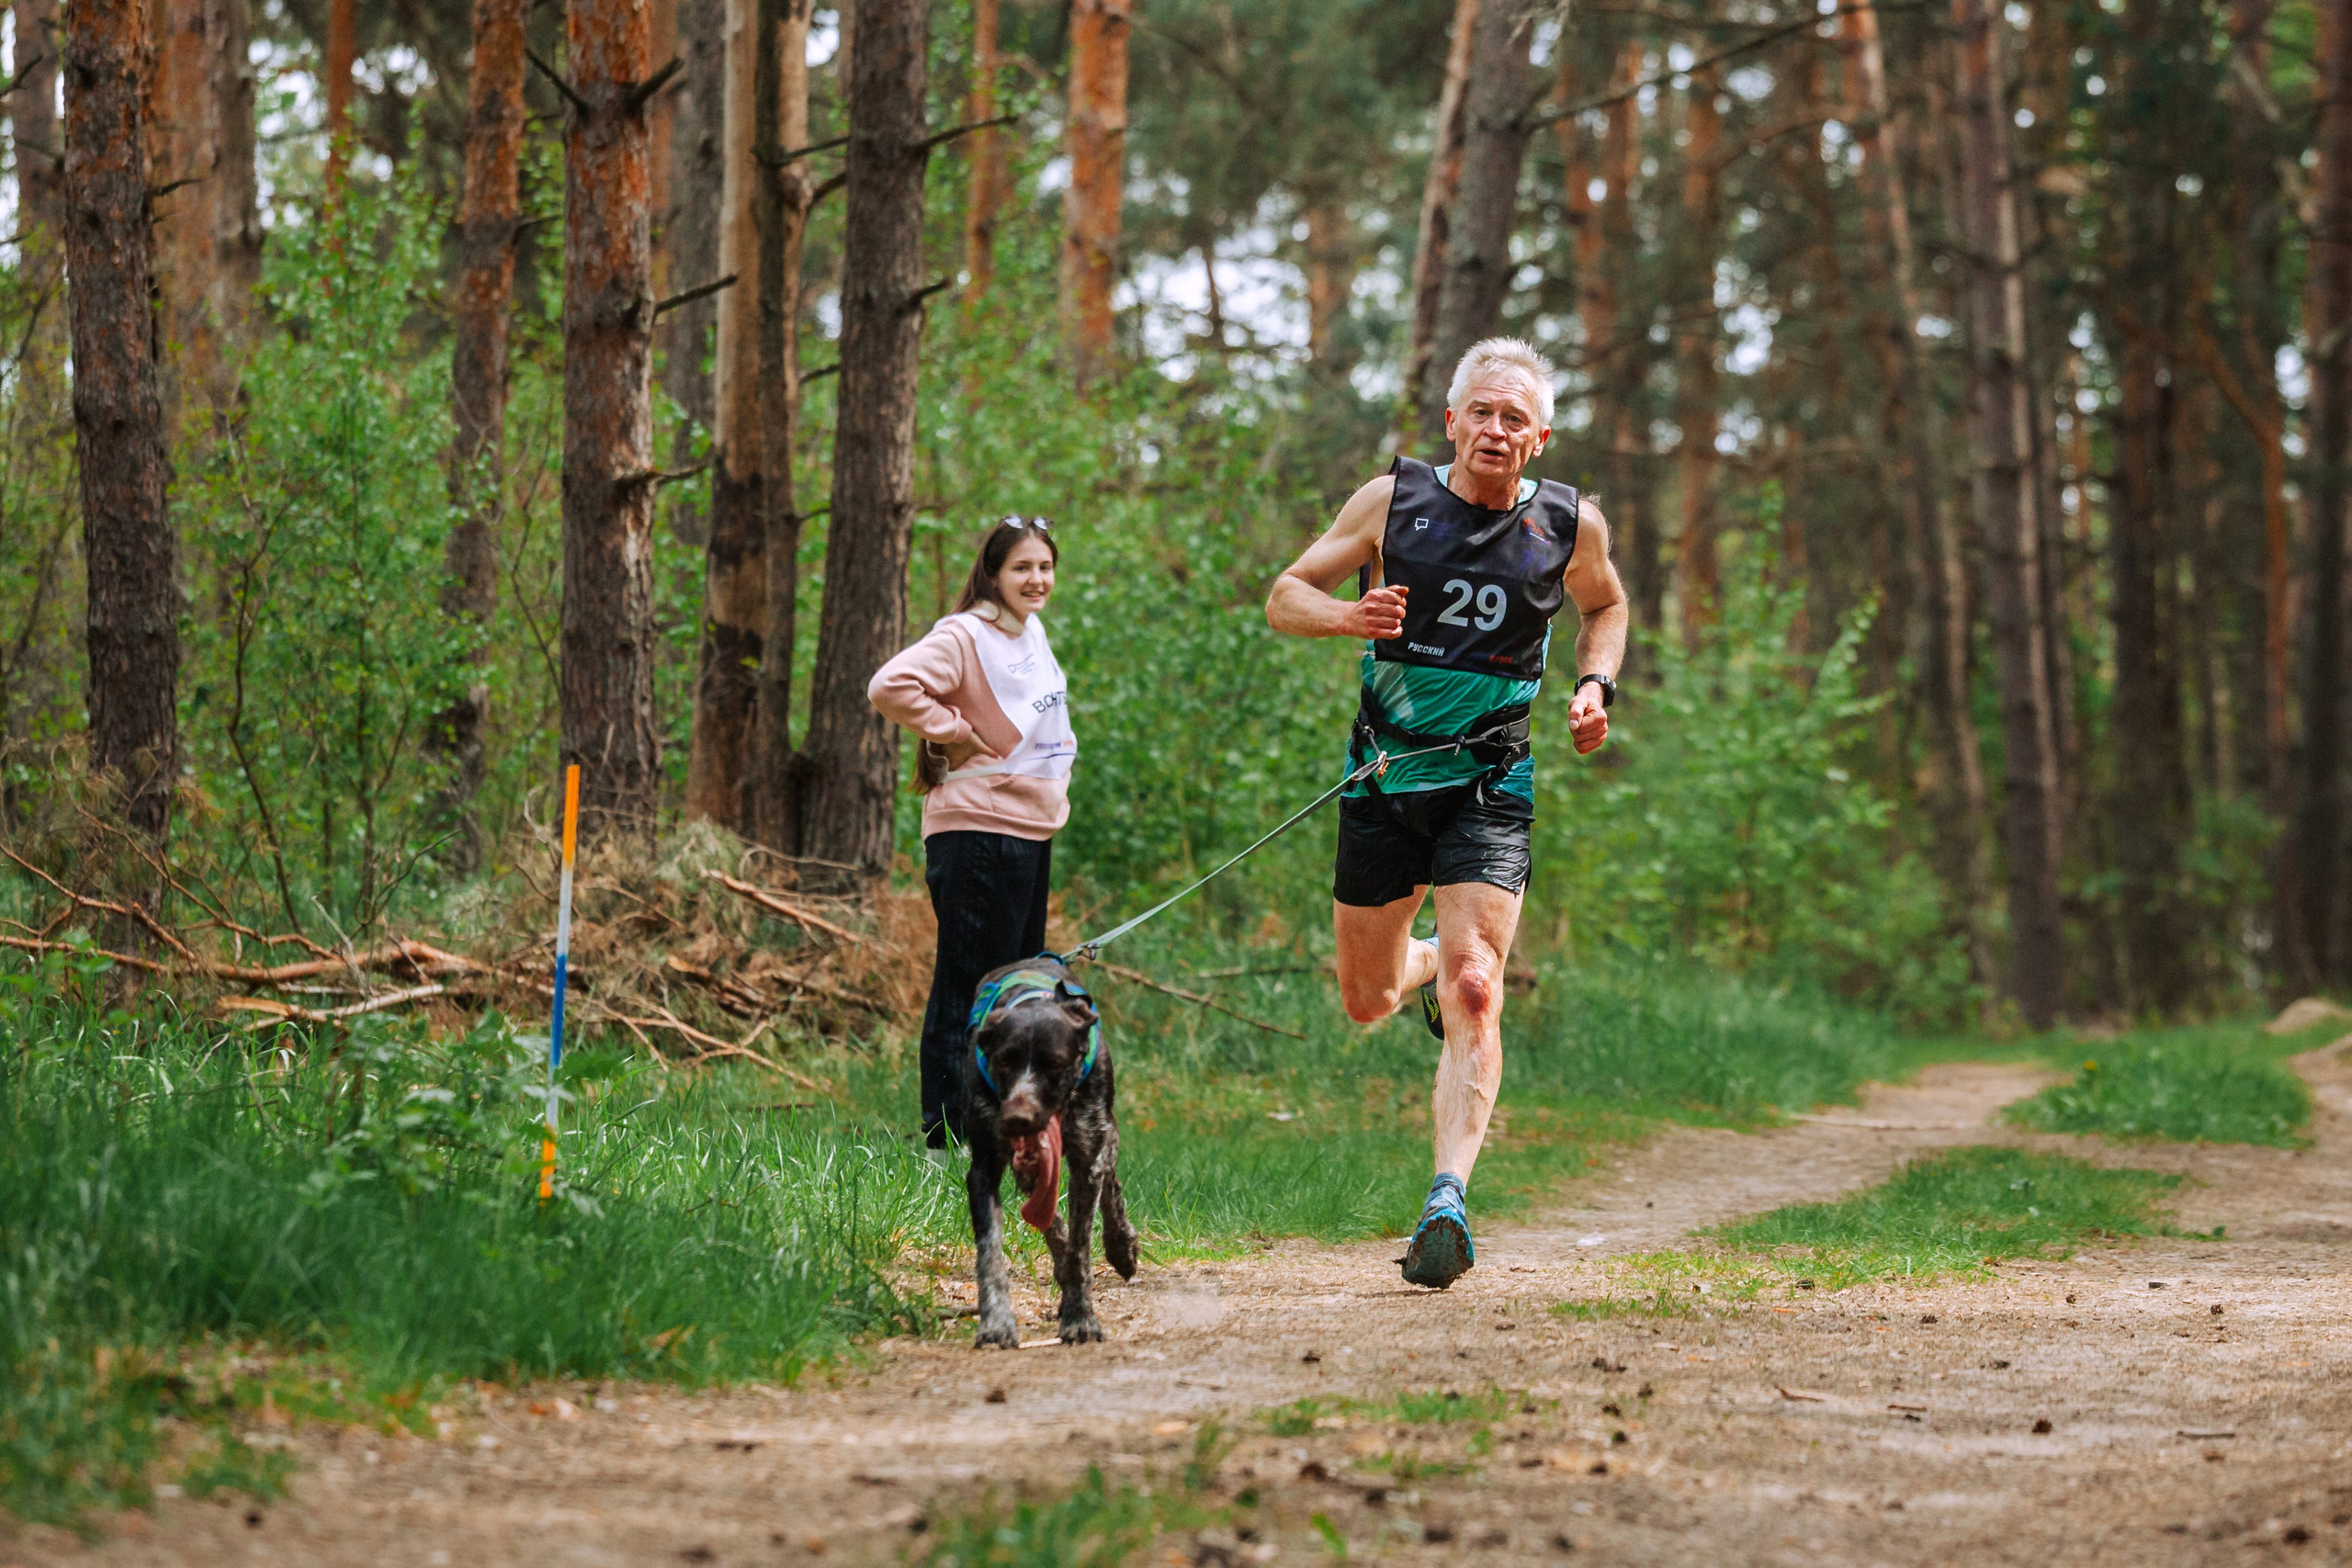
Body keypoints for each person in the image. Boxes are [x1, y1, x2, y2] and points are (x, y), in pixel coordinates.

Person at [1265, 338, 1629, 1289]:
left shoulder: (1568, 525)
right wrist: (1346, 617)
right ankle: (1419, 963)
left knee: (1477, 984)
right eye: (1482, 412)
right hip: (1384, 777)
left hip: (1489, 783)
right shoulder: (1392, 501)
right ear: (1452, 421)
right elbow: (1284, 595)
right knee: (1367, 1000)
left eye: (1516, 419)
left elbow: (1606, 607)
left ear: (1539, 438)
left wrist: (1595, 685)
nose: (1495, 430)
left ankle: (1447, 1200)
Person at [869, 517, 1077, 1154]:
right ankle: (947, 1139)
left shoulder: (1029, 633)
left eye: (1045, 567)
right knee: (968, 984)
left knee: (1016, 990)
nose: (1036, 579)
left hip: (1030, 825)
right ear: (992, 574)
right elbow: (889, 686)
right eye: (1022, 568)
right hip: (976, 829)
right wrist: (954, 732)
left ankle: (998, 1132)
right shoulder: (964, 635)